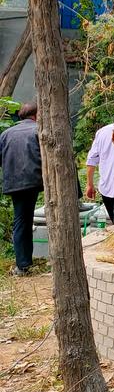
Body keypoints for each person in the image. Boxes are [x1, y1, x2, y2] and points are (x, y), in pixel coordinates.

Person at [0, 102, 44, 276]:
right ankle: (24, 264)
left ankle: (23, 265)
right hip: (35, 180)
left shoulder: (5, 134)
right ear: (36, 115)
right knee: (25, 221)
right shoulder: (38, 131)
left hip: (14, 183)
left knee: (21, 220)